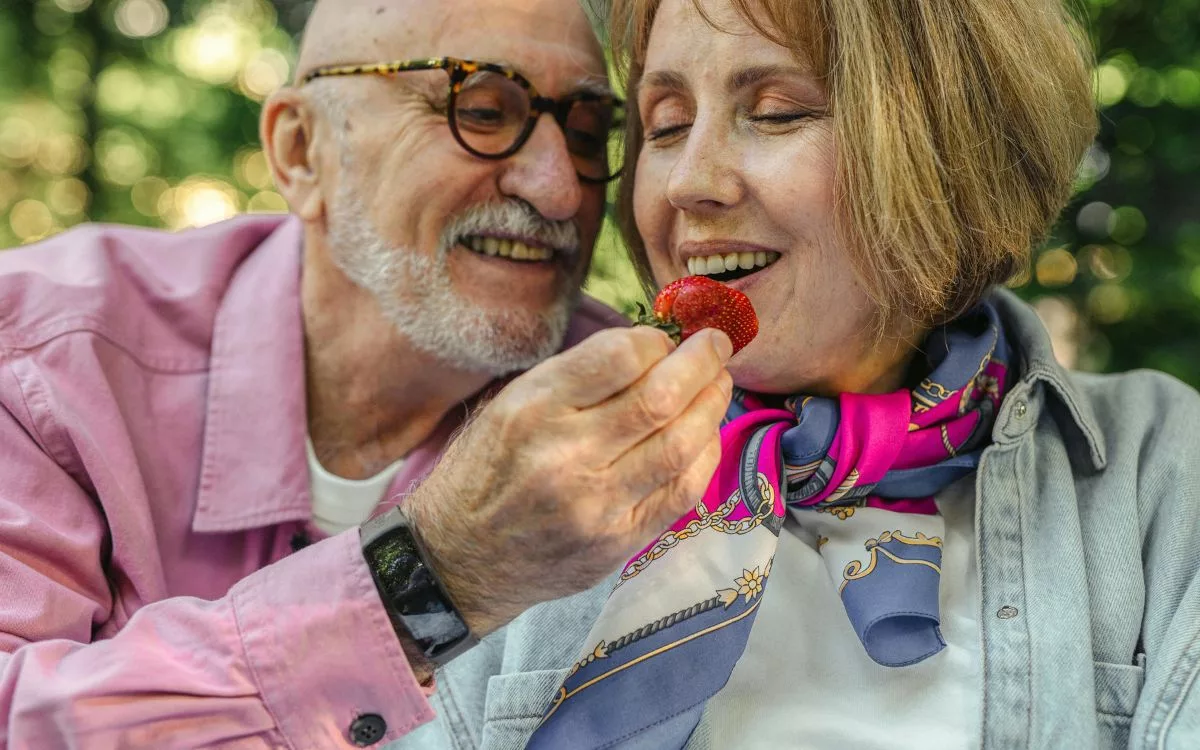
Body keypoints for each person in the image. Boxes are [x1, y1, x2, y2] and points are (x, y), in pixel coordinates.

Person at [383, 0, 1200, 748]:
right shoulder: (517, 481)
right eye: (665, 125)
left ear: (956, 153)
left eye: (775, 113)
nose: (688, 184)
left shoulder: (1164, 476)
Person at [0, 0, 738, 746]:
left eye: (587, 132)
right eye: (480, 109)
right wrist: (429, 577)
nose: (558, 189)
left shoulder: (645, 419)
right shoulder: (46, 357)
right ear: (301, 149)